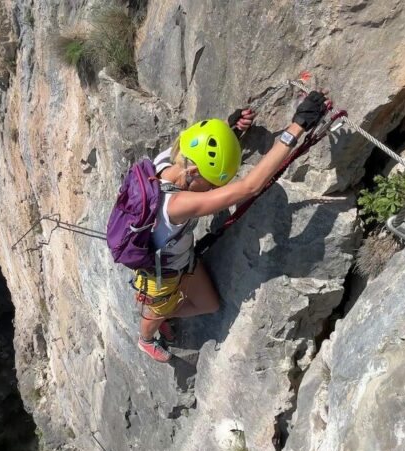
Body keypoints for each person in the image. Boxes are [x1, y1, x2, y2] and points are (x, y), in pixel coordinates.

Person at [134, 91, 328, 362]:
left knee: (208, 304)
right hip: (163, 272)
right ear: (192, 174)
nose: (214, 189)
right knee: (159, 309)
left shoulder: (168, 159)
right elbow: (249, 187)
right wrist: (296, 128)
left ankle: (159, 311)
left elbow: (202, 144)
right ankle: (146, 336)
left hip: (180, 258)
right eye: (212, 184)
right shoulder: (178, 205)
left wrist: (229, 131)